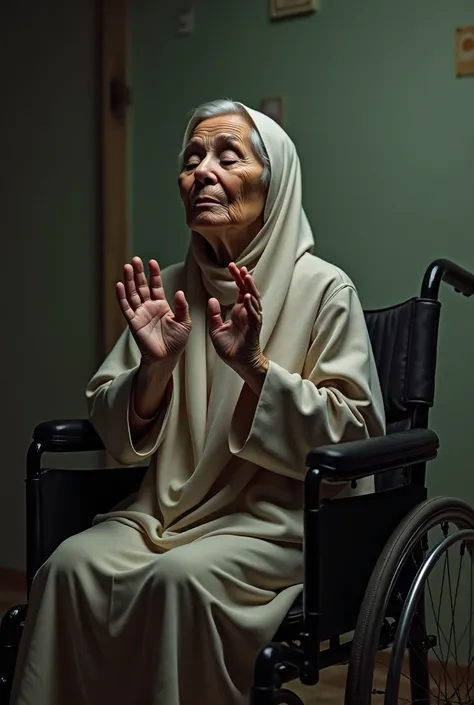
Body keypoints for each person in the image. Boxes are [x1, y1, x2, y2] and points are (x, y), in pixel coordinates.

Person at [11, 99, 385, 705]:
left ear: (276, 181)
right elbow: (113, 421)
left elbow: (356, 436)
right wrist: (155, 369)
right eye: (192, 159)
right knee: (67, 570)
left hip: (276, 526)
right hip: (166, 513)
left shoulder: (325, 289)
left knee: (178, 582)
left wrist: (255, 368)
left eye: (226, 156)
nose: (201, 172)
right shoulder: (171, 289)